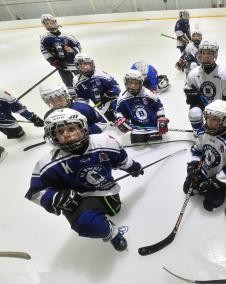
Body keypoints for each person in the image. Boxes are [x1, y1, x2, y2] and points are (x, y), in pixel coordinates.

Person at [24, 108, 143, 251]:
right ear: (53, 136)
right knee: (87, 224)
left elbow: (121, 159)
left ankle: (104, 219)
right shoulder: (47, 163)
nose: (66, 134)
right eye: (60, 132)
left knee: (114, 210)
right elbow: (35, 192)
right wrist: (55, 197)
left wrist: (133, 167)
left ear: (82, 127)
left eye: (71, 128)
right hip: (79, 199)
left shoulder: (105, 141)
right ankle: (112, 234)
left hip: (107, 188)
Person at [183, 100, 226, 211]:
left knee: (211, 202)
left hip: (219, 177)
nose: (209, 121)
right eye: (208, 117)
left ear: (225, 120)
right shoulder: (203, 132)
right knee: (187, 188)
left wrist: (215, 182)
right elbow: (196, 151)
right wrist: (193, 167)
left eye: (214, 119)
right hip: (204, 170)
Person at [184, 39, 226, 133]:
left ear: (215, 55)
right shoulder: (193, 74)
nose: (206, 56)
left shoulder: (224, 74)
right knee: (194, 113)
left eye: (209, 53)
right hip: (202, 105)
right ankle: (199, 134)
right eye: (203, 53)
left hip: (219, 108)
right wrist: (192, 96)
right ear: (199, 54)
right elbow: (190, 100)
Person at [115, 70, 170, 144]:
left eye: (136, 83)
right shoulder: (122, 98)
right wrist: (120, 119)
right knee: (138, 144)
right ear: (126, 82)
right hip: (137, 128)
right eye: (130, 83)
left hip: (153, 126)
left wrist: (161, 118)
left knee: (155, 143)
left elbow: (159, 107)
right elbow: (118, 111)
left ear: (141, 83)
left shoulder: (148, 94)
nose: (133, 86)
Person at [39, 82, 107, 134]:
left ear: (65, 95)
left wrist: (83, 133)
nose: (58, 103)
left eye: (60, 98)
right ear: (47, 102)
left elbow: (102, 123)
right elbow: (51, 135)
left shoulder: (83, 108)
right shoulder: (48, 117)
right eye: (53, 101)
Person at [40, 14, 81, 94]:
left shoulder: (67, 36)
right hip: (62, 65)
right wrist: (54, 62)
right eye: (46, 23)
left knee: (81, 80)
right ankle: (74, 97)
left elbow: (78, 46)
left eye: (51, 22)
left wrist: (72, 51)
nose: (49, 25)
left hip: (74, 63)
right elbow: (45, 52)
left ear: (55, 22)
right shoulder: (45, 38)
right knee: (68, 82)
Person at [73, 53, 121, 122]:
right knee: (111, 123)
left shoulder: (102, 74)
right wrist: (84, 109)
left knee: (120, 120)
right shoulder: (77, 81)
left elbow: (117, 87)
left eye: (85, 64)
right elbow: (81, 99)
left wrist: (110, 94)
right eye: (80, 64)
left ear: (91, 64)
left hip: (112, 102)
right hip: (100, 108)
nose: (83, 67)